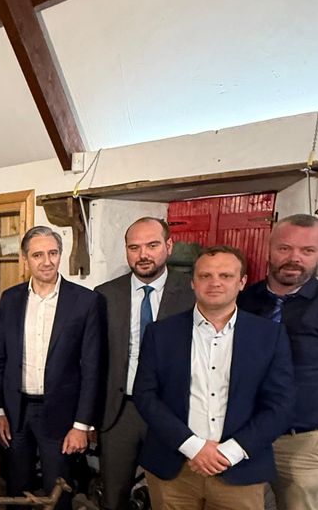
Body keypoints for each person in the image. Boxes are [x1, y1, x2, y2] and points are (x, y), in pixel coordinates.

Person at [134, 245, 295, 510]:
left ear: (242, 282)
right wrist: (193, 446)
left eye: (226, 276)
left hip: (239, 469)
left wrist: (228, 452)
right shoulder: (160, 333)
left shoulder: (269, 336)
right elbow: (145, 395)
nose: (215, 283)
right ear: (193, 282)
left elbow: (281, 405)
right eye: (205, 276)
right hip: (174, 467)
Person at [238, 214, 318, 510]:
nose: (294, 258)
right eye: (284, 248)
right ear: (269, 248)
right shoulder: (244, 301)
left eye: (307, 251)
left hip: (301, 444)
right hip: (244, 436)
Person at [0, 226, 106, 510]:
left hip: (61, 415)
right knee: (16, 491)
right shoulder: (11, 298)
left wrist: (81, 425)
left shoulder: (86, 301)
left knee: (58, 492)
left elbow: (92, 367)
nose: (47, 261)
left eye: (53, 253)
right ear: (25, 259)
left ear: (60, 255)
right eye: (38, 254)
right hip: (16, 413)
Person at [94, 217, 195, 510]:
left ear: (169, 245)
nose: (143, 255)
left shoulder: (191, 294)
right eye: (134, 247)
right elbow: (94, 359)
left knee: (169, 495)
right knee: (113, 495)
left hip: (170, 411)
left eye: (152, 245)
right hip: (118, 411)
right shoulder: (105, 294)